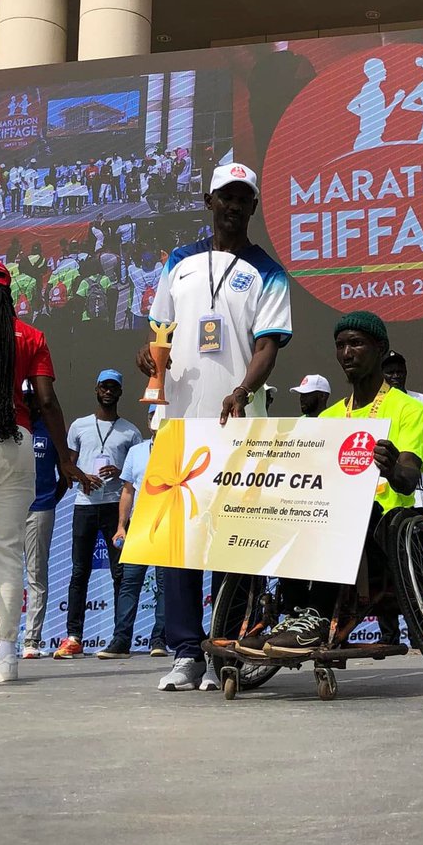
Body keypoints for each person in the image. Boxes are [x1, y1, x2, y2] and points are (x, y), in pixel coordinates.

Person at [137, 162, 292, 691]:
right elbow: (161, 331)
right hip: (176, 422)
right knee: (177, 545)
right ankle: (185, 652)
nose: (233, 205)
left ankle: (228, 648)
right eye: (224, 196)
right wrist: (150, 357)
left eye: (242, 197)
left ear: (253, 207)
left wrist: (242, 390)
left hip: (238, 425)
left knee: (234, 542)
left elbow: (268, 345)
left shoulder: (267, 271)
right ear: (209, 201)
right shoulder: (179, 262)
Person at [236, 311, 423, 657]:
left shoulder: (409, 410)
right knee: (286, 511)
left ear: (380, 348)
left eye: (356, 343)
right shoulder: (329, 417)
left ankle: (315, 618)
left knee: (344, 512)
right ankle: (295, 615)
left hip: (382, 526)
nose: (346, 353)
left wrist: (390, 468)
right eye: (340, 345)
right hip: (328, 515)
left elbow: (409, 477)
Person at [0, 259, 88, 685]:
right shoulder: (30, 336)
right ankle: (7, 658)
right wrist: (66, 457)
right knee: (8, 552)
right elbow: (46, 401)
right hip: (17, 440)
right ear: (10, 292)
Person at [53, 371, 142, 659]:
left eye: (114, 387)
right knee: (79, 572)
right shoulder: (79, 426)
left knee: (120, 573)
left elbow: (134, 474)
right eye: (104, 386)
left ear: (120, 393)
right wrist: (83, 477)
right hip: (85, 504)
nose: (108, 392)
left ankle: (120, 637)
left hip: (116, 507)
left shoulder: (130, 431)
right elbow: (68, 465)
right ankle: (73, 636)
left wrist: (119, 471)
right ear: (96, 389)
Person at [98, 409, 167, 659]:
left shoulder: (178, 447)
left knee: (164, 585)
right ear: (147, 421)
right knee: (129, 582)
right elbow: (127, 490)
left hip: (166, 522)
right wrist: (121, 525)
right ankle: (121, 639)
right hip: (139, 521)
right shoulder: (137, 451)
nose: (156, 420)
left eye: (161, 415)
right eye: (152, 416)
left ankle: (159, 638)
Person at [22, 383, 68, 658]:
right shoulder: (10, 428)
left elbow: (65, 472)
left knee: (36, 574)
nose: (30, 402)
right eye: (25, 397)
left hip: (40, 508)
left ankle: (31, 641)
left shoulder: (50, 431)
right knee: (1, 573)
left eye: (33, 397)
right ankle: (0, 640)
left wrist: (51, 499)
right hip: (9, 508)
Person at [382, 350, 423, 513]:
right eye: (390, 372)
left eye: (400, 372)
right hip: (384, 496)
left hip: (416, 493)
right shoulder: (376, 405)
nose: (396, 376)